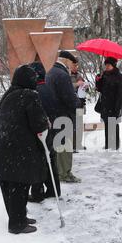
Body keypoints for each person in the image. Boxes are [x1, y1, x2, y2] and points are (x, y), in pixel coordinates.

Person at [0, 64, 49, 235]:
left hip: (1, 148)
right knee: (20, 186)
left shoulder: (9, 95)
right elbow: (39, 124)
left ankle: (17, 217)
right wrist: (46, 122)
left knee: (9, 187)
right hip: (18, 150)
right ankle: (17, 224)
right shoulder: (30, 96)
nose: (36, 81)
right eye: (33, 79)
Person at [46, 51, 83, 183]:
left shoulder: (51, 72)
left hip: (54, 115)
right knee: (65, 147)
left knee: (59, 145)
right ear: (67, 60)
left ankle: (59, 172)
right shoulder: (62, 75)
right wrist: (79, 102)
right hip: (64, 115)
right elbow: (69, 99)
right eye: (73, 63)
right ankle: (64, 173)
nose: (73, 66)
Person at [28, 62, 61, 203]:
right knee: (50, 160)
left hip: (41, 131)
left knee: (38, 162)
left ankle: (37, 193)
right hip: (53, 128)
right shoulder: (49, 87)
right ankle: (54, 190)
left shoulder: (34, 91)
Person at [95, 57, 122, 150]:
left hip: (114, 104)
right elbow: (100, 89)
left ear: (113, 65)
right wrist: (98, 80)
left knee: (114, 124)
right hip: (105, 104)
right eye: (106, 65)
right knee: (107, 125)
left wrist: (117, 109)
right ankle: (108, 144)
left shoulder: (119, 76)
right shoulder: (104, 74)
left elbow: (120, 94)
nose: (106, 67)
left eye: (108, 65)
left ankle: (115, 145)